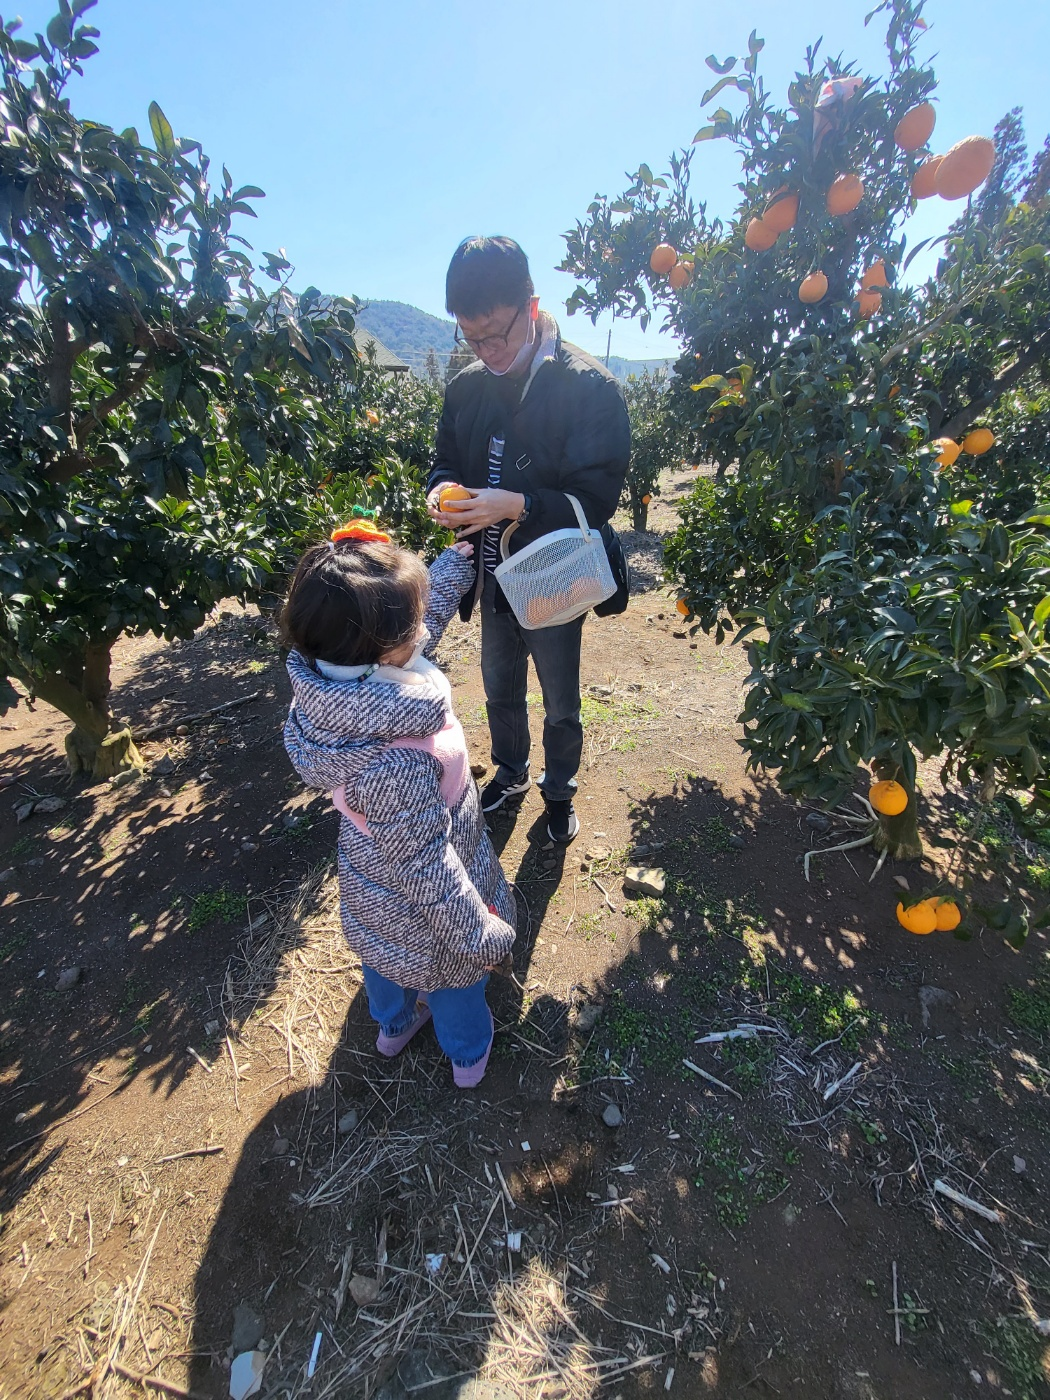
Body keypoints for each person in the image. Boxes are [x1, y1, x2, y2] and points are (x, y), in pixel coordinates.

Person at [281, 514, 516, 1088]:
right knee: (453, 976)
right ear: (386, 648)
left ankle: (392, 1026)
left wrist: (454, 566)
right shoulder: (398, 757)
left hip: (371, 883)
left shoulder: (339, 684)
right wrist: (478, 934)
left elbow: (420, 624)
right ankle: (465, 1056)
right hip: (432, 896)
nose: (422, 628)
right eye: (410, 622)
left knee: (383, 959)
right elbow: (427, 870)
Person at [427, 236, 630, 846]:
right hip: (492, 575)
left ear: (532, 309)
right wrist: (442, 495)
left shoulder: (587, 388)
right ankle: (512, 771)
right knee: (498, 686)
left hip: (555, 577)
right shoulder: (466, 389)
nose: (488, 352)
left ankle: (559, 789)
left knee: (559, 695)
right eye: (472, 338)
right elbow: (441, 463)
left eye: (498, 335)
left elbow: (595, 502)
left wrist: (519, 506)